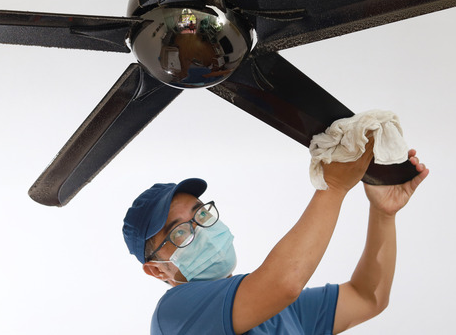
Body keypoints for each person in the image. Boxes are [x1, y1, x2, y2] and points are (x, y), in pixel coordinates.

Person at [122, 138, 429, 334]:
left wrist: (383, 215)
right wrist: (333, 186)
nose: (201, 229)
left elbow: (367, 297)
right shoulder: (173, 317)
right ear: (156, 269)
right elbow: (284, 283)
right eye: (179, 231)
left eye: (201, 214)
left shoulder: (276, 311)